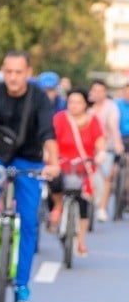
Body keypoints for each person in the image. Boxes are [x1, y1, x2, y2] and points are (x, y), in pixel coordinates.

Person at [0, 51, 58, 302]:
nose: (13, 77)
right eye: (8, 71)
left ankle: (21, 286)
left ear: (28, 73)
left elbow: (47, 133)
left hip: (29, 160)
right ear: (2, 71)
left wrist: (54, 162)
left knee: (29, 222)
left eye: (18, 72)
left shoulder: (39, 97)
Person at [48, 87, 105, 256]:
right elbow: (50, 139)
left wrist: (101, 155)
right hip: (61, 162)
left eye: (78, 102)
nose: (74, 105)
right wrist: (49, 156)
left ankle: (80, 241)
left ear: (85, 104)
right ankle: (58, 206)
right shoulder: (60, 118)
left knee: (84, 202)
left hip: (84, 165)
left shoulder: (93, 120)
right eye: (71, 101)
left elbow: (100, 141)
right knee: (54, 180)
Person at [88, 79, 125, 221]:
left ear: (105, 92)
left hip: (106, 146)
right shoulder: (86, 106)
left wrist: (117, 144)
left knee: (106, 177)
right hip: (87, 148)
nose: (97, 94)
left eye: (101, 91)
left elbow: (113, 127)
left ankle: (102, 208)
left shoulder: (111, 107)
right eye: (95, 90)